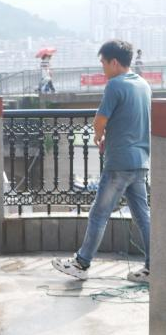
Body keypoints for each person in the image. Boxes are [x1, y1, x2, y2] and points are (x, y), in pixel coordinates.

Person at [52, 40, 151, 284]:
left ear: (114, 62)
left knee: (99, 214)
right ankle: (155, 266)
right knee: (143, 216)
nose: (103, 68)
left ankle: (81, 263)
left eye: (103, 63)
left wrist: (99, 135)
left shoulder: (115, 85)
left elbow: (100, 119)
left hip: (119, 163)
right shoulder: (143, 84)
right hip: (140, 162)